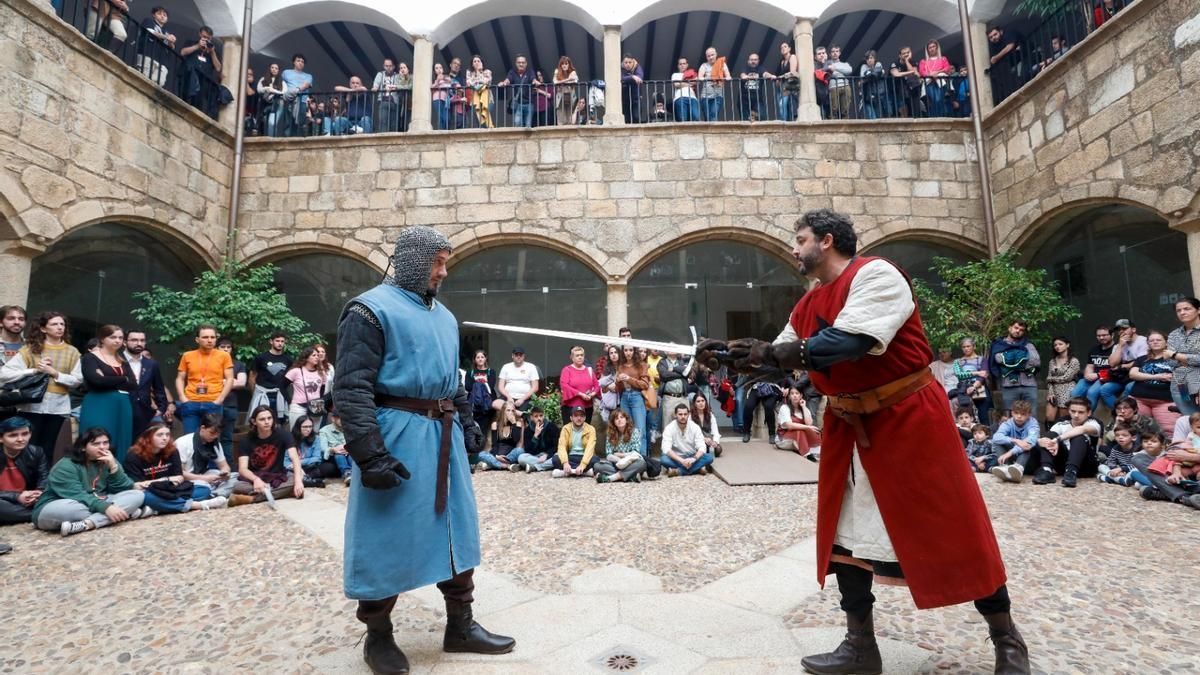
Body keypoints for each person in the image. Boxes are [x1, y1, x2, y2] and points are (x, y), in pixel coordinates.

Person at [696, 209, 1025, 673]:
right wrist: (730, 356)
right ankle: (860, 647)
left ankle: (1008, 642)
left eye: (801, 238)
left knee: (954, 528)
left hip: (908, 419)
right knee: (844, 536)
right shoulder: (807, 305)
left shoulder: (877, 275)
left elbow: (846, 342)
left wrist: (776, 352)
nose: (794, 247)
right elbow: (784, 358)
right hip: (848, 425)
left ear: (827, 241)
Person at [332, 226, 512, 673]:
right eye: (439, 262)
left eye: (445, 262)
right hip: (396, 434)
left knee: (456, 527)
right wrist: (370, 454)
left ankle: (460, 625)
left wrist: (470, 426)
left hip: (443, 434)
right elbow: (351, 387)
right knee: (385, 533)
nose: (444, 271)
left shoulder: (446, 317)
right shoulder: (369, 311)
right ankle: (378, 636)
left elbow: (456, 382)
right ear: (412, 259)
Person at [32, 428, 146, 537]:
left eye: (105, 443)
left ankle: (87, 524)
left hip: (97, 501)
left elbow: (125, 487)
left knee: (137, 495)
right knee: (73, 510)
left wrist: (114, 467)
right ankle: (126, 513)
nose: (102, 447)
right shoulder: (65, 465)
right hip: (61, 504)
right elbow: (76, 494)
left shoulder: (108, 459)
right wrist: (106, 508)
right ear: (83, 447)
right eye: (96, 444)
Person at [0, 311, 82, 457]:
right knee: (26, 446)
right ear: (44, 329)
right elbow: (4, 374)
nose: (59, 327)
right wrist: (33, 371)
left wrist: (55, 373)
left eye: (62, 324)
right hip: (31, 405)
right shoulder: (31, 349)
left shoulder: (72, 351)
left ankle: (42, 479)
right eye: (54, 324)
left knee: (48, 447)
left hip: (58, 406)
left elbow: (77, 380)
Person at [124, 424, 226, 513]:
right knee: (145, 497)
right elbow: (137, 486)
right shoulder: (134, 455)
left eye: (167, 435)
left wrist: (172, 482)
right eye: (160, 435)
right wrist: (165, 480)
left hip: (171, 488)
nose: (165, 438)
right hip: (151, 491)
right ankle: (195, 505)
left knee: (204, 490)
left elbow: (179, 476)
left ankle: (160, 508)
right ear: (148, 437)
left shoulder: (172, 451)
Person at [78, 325, 137, 464]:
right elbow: (96, 381)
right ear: (102, 339)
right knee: (97, 438)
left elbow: (133, 383)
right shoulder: (90, 358)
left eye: (120, 338)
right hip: (99, 403)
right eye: (113, 337)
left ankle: (117, 475)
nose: (117, 341)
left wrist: (107, 378)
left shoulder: (121, 358)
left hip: (122, 404)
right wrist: (123, 378)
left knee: (121, 439)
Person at [229, 406, 305, 506]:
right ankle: (281, 493)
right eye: (262, 419)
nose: (267, 422)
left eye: (269, 418)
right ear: (254, 421)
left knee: (298, 477)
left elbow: (295, 458)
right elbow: (242, 469)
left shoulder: (284, 435)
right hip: (255, 476)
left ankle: (251, 499)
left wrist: (298, 481)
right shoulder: (245, 440)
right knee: (237, 486)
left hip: (277, 476)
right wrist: (256, 480)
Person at [175, 325, 234, 435]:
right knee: (190, 439)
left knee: (212, 439)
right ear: (197, 339)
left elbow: (230, 378)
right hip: (191, 402)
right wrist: (183, 398)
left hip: (213, 402)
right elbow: (180, 378)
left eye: (212, 337)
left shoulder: (224, 356)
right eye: (205, 337)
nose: (210, 340)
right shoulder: (187, 356)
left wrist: (220, 400)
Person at [123, 329, 173, 441]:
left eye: (142, 340)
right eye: (134, 340)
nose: (139, 343)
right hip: (122, 409)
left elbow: (159, 388)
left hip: (145, 412)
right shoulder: (117, 360)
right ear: (125, 342)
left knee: (142, 446)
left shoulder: (151, 364)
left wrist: (161, 408)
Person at [175, 413, 238, 498]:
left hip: (205, 474)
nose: (215, 436)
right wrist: (203, 479)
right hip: (188, 478)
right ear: (202, 428)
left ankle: (215, 494)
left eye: (218, 434)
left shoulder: (215, 444)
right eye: (212, 433)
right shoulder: (183, 443)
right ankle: (216, 493)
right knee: (203, 487)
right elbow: (179, 473)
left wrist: (225, 473)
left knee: (235, 476)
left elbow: (225, 466)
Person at [0, 417, 48, 525]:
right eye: (13, 435)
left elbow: (44, 478)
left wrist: (38, 493)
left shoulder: (36, 452)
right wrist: (16, 496)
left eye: (25, 434)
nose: (21, 439)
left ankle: (17, 515)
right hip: (4, 499)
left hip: (26, 500)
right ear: (1, 438)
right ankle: (38, 514)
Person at [1128, 330, 1179, 431]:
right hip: (1139, 400)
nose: (1155, 342)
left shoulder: (1175, 359)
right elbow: (1132, 374)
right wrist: (1158, 376)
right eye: (1151, 340)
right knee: (1136, 431)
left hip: (1165, 401)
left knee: (1169, 431)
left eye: (1158, 340)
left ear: (1166, 342)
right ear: (1148, 343)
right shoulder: (1142, 359)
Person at [988, 321, 1040, 412]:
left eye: (1021, 330)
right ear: (1010, 328)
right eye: (1016, 328)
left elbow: (1036, 362)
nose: (1018, 331)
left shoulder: (1028, 345)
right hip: (1009, 385)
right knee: (1010, 415)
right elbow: (998, 359)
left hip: (1029, 385)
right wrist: (1023, 359)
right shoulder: (999, 345)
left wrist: (1010, 363)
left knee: (1032, 414)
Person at [989, 399, 1040, 483]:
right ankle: (1005, 467)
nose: (1019, 416)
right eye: (1016, 413)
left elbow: (1030, 441)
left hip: (1029, 461)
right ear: (1012, 413)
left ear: (1029, 415)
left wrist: (1010, 452)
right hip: (1013, 457)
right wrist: (1014, 440)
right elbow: (996, 437)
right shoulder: (1008, 423)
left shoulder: (1033, 423)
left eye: (1023, 414)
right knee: (998, 442)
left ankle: (1018, 467)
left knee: (1027, 446)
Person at [1072, 324, 1119, 413]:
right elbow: (1090, 365)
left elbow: (1116, 369)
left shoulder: (1116, 349)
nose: (1101, 338)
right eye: (1099, 336)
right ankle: (1076, 416)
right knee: (1075, 393)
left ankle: (1087, 417)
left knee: (1092, 392)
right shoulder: (1094, 349)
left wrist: (1097, 375)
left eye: (1104, 335)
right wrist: (1087, 374)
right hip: (1092, 377)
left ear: (1112, 335)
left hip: (1107, 378)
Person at [1166, 297, 1200, 416]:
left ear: (1198, 310)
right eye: (1178, 310)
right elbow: (1170, 362)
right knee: (1191, 421)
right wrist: (1191, 359)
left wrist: (1176, 355)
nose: (1182, 312)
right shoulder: (1174, 335)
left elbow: (1172, 356)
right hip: (1181, 386)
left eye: (1187, 309)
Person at [179, 26, 223, 117]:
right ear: (199, 34)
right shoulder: (191, 43)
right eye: (204, 37)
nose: (206, 39)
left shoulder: (213, 51)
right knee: (184, 99)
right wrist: (197, 46)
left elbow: (218, 68)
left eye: (208, 38)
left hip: (203, 83)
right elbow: (183, 52)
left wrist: (212, 52)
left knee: (198, 105)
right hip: (188, 76)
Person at [615, 346, 651, 454]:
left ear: (634, 351)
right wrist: (618, 381)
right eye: (626, 350)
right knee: (625, 428)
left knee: (640, 430)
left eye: (630, 350)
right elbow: (619, 389)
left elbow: (644, 385)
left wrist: (629, 379)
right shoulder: (620, 366)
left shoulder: (642, 365)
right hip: (624, 396)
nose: (628, 353)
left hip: (637, 396)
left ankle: (642, 459)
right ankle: (629, 458)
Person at [660, 404, 713, 477]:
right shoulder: (669, 428)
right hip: (677, 457)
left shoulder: (695, 427)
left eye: (685, 414)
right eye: (680, 414)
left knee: (709, 457)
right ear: (675, 415)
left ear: (689, 414)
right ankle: (697, 469)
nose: (683, 417)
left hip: (692, 456)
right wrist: (682, 461)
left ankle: (678, 471)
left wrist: (694, 459)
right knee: (664, 459)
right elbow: (666, 448)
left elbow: (702, 447)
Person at [594, 409, 647, 483]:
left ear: (626, 419)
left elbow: (635, 452)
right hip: (616, 463)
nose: (619, 420)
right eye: (616, 418)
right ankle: (630, 476)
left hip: (630, 462)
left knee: (642, 464)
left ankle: (611, 478)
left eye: (622, 417)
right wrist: (620, 461)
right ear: (613, 422)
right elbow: (609, 455)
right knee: (597, 466)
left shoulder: (634, 432)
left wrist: (622, 456)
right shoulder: (610, 434)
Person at [216, 337, 247, 453]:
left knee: (227, 438)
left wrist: (223, 382)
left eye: (228, 347)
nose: (226, 349)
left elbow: (242, 383)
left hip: (231, 405)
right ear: (217, 348)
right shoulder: (212, 363)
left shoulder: (238, 364)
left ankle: (229, 466)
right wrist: (231, 381)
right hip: (213, 403)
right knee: (211, 436)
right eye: (222, 347)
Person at [284, 346, 328, 424]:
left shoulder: (321, 372)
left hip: (316, 407)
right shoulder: (296, 371)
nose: (317, 357)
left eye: (317, 355)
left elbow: (322, 388)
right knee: (297, 432)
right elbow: (282, 386)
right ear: (306, 358)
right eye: (314, 355)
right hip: (298, 406)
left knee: (314, 433)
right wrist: (289, 400)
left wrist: (319, 400)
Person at [477, 401, 525, 471]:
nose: (510, 413)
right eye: (508, 410)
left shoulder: (517, 424)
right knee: (481, 454)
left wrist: (514, 423)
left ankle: (494, 464)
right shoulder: (495, 424)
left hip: (509, 455)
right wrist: (497, 456)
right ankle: (506, 466)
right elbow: (494, 444)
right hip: (497, 454)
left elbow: (516, 440)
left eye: (512, 411)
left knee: (520, 450)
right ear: (503, 412)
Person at [953, 337, 992, 424]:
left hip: (980, 389)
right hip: (964, 390)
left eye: (968, 346)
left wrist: (974, 386)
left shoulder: (982, 359)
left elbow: (983, 375)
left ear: (973, 346)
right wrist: (977, 373)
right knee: (966, 416)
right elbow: (959, 375)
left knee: (984, 416)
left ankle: (985, 435)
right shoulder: (957, 361)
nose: (966, 349)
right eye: (964, 347)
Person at [135, 5, 175, 87]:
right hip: (147, 54)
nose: (162, 16)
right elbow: (150, 31)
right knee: (142, 78)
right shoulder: (148, 21)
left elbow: (172, 47)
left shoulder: (166, 31)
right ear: (154, 15)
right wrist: (167, 37)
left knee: (159, 82)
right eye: (159, 13)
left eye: (165, 15)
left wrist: (171, 42)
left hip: (161, 60)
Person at [287, 416, 334, 484]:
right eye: (305, 427)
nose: (308, 429)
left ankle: (306, 478)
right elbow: (285, 461)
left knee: (329, 467)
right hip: (293, 468)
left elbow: (317, 458)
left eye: (310, 426)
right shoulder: (289, 438)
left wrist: (299, 462)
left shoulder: (316, 438)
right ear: (298, 427)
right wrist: (297, 467)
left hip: (309, 467)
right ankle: (310, 481)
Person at [553, 406, 598, 477]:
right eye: (576, 415)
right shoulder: (566, 428)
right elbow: (561, 446)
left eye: (581, 416)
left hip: (584, 456)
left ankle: (567, 472)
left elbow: (590, 448)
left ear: (585, 418)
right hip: (571, 456)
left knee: (595, 460)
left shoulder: (591, 429)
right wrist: (565, 462)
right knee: (555, 459)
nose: (579, 418)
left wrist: (583, 465)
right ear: (571, 418)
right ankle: (585, 473)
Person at [1043, 336, 1080, 424]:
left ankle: (1063, 436)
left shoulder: (1074, 361)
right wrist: (1051, 392)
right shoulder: (1052, 361)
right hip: (1054, 390)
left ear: (1067, 345)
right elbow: (1049, 380)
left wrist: (1050, 379)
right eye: (1055, 345)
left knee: (1063, 418)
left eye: (1060, 344)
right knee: (1049, 417)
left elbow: (1067, 378)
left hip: (1067, 389)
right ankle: (1050, 436)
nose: (1057, 346)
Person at [776, 387, 820, 458]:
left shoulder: (804, 409)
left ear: (801, 395)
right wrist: (807, 427)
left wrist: (804, 407)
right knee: (800, 431)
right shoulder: (785, 408)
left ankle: (815, 451)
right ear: (789, 396)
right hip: (783, 439)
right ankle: (807, 454)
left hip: (800, 439)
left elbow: (809, 423)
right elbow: (789, 425)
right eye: (792, 394)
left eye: (797, 393)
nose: (795, 396)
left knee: (814, 432)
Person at [1108, 319, 1148, 399]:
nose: (1121, 331)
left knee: (1129, 387)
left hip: (1139, 375)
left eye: (1124, 329)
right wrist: (1120, 346)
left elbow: (1142, 362)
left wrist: (1122, 366)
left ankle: (1123, 409)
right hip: (1123, 376)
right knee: (1105, 389)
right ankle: (1117, 410)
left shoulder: (1143, 341)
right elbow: (1112, 364)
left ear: (1133, 329)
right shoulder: (1119, 344)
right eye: (1119, 330)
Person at [559, 347, 599, 424]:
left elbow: (597, 386)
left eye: (581, 355)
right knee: (570, 433)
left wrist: (591, 394)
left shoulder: (589, 370)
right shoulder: (567, 370)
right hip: (570, 408)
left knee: (585, 432)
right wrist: (580, 394)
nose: (580, 357)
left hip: (587, 408)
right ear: (572, 358)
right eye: (577, 355)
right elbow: (564, 386)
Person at [987, 25, 1026, 103]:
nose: (993, 38)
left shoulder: (1008, 32)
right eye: (991, 37)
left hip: (1027, 55)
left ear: (1000, 32)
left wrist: (996, 57)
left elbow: (1010, 46)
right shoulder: (996, 45)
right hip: (1014, 63)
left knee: (1023, 75)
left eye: (995, 34)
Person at [515, 406, 558, 473]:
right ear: (531, 417)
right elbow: (528, 450)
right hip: (535, 456)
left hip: (549, 455)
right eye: (536, 416)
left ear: (544, 416)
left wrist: (546, 455)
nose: (539, 418)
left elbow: (556, 446)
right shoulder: (528, 430)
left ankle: (533, 467)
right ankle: (544, 465)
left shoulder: (551, 427)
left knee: (558, 457)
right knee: (521, 457)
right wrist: (535, 435)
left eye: (541, 416)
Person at [497, 54, 536, 128]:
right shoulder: (512, 72)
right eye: (519, 62)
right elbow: (508, 79)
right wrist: (504, 83)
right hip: (518, 103)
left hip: (529, 103)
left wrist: (535, 81)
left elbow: (533, 79)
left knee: (528, 125)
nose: (521, 64)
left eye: (523, 62)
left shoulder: (530, 72)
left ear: (526, 63)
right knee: (517, 123)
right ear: (516, 63)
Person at [318, 409, 354, 485]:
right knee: (339, 454)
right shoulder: (324, 430)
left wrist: (350, 448)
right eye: (339, 418)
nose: (342, 420)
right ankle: (347, 473)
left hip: (349, 454)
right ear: (333, 418)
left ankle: (353, 473)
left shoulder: (350, 428)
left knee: (352, 454)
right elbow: (323, 448)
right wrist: (333, 449)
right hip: (332, 457)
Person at [742, 379, 785, 444]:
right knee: (748, 406)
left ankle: (772, 434)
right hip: (757, 387)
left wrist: (784, 387)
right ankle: (746, 432)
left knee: (769, 406)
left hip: (772, 386)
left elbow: (785, 376)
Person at [918, 40, 953, 118]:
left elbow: (947, 68)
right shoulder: (923, 61)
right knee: (933, 101)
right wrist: (931, 75)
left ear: (937, 48)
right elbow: (922, 72)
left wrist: (937, 72)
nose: (932, 49)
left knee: (941, 100)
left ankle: (942, 117)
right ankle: (934, 118)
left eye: (933, 46)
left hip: (940, 82)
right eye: (930, 47)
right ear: (927, 50)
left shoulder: (943, 59)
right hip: (930, 83)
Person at [767, 42, 801, 121]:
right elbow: (779, 73)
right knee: (782, 104)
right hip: (783, 85)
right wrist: (778, 79)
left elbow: (792, 72)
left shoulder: (792, 57)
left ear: (789, 49)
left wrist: (780, 77)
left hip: (790, 84)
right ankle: (785, 120)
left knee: (783, 103)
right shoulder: (782, 62)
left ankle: (785, 121)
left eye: (785, 46)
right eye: (781, 48)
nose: (783, 48)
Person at [497, 347, 539, 412]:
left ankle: (512, 411)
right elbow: (500, 387)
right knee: (495, 404)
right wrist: (509, 397)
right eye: (516, 355)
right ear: (512, 356)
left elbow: (535, 387)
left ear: (524, 356)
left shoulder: (531, 367)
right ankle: (515, 412)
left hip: (525, 398)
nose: (518, 357)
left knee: (524, 413)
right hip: (508, 397)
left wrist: (522, 399)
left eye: (520, 355)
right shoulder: (506, 367)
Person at [697, 47, 731, 121]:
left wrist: (727, 77)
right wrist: (708, 78)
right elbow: (700, 76)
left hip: (717, 95)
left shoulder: (722, 64)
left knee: (713, 115)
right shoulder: (704, 65)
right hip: (705, 96)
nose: (711, 57)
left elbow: (728, 75)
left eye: (712, 55)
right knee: (707, 117)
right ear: (706, 57)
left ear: (716, 54)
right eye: (708, 56)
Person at [890, 47, 923, 117]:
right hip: (896, 91)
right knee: (902, 111)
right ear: (900, 56)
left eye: (908, 53)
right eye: (904, 53)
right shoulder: (895, 63)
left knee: (914, 111)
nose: (906, 55)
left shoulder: (913, 62)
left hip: (911, 90)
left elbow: (916, 74)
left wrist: (907, 61)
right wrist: (911, 72)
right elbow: (896, 74)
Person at [257, 63, 287, 137]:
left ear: (278, 70)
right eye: (272, 67)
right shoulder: (263, 79)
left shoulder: (282, 81)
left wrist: (273, 90)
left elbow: (284, 92)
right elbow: (259, 90)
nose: (274, 69)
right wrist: (266, 89)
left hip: (277, 103)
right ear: (269, 69)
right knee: (265, 122)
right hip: (265, 104)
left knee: (272, 123)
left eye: (276, 68)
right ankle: (269, 139)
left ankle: (271, 141)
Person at [823, 45, 853, 119]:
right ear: (830, 54)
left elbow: (849, 70)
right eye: (833, 52)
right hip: (833, 87)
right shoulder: (827, 64)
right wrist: (839, 70)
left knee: (845, 109)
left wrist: (835, 68)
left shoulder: (845, 64)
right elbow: (827, 72)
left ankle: (845, 126)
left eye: (837, 51)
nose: (835, 53)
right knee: (834, 109)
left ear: (839, 53)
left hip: (845, 86)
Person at [465, 55, 494, 128]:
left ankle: (489, 129)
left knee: (485, 114)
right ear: (472, 64)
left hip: (488, 99)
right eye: (474, 61)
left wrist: (479, 72)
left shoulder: (487, 71)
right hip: (475, 100)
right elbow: (469, 83)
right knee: (478, 121)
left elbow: (486, 82)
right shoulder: (469, 73)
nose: (476, 63)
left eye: (478, 61)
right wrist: (479, 78)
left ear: (482, 63)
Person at [691, 394, 723, 458]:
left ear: (705, 402)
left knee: (718, 449)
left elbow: (715, 432)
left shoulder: (710, 415)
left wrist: (715, 442)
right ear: (694, 404)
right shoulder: (690, 416)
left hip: (709, 440)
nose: (701, 403)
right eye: (698, 401)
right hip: (696, 440)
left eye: (703, 401)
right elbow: (690, 434)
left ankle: (705, 451)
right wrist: (703, 439)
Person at [859, 50, 889, 119]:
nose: (869, 60)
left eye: (871, 58)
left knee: (880, 115)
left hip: (878, 94)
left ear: (874, 58)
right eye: (867, 58)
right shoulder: (863, 66)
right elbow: (864, 75)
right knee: (871, 115)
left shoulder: (878, 64)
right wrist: (873, 74)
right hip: (867, 95)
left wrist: (869, 74)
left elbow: (877, 74)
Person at [670, 57, 700, 122]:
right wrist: (689, 84)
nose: (682, 65)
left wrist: (683, 83)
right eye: (680, 64)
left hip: (692, 98)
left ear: (687, 65)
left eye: (684, 63)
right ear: (678, 66)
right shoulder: (675, 75)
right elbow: (676, 84)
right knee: (683, 119)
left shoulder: (692, 73)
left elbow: (696, 82)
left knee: (696, 117)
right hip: (680, 98)